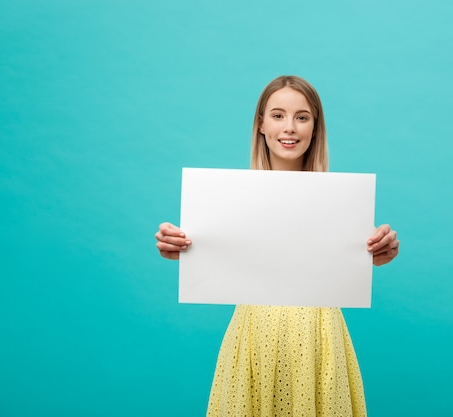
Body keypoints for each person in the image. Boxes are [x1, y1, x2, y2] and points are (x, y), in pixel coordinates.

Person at [155, 75, 399, 416]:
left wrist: (380, 250)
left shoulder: (341, 203)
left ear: (315, 127)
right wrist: (178, 244)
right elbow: (203, 247)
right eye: (278, 115)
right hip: (254, 338)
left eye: (302, 117)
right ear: (261, 125)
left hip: (319, 341)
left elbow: (361, 256)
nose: (290, 128)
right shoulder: (227, 199)